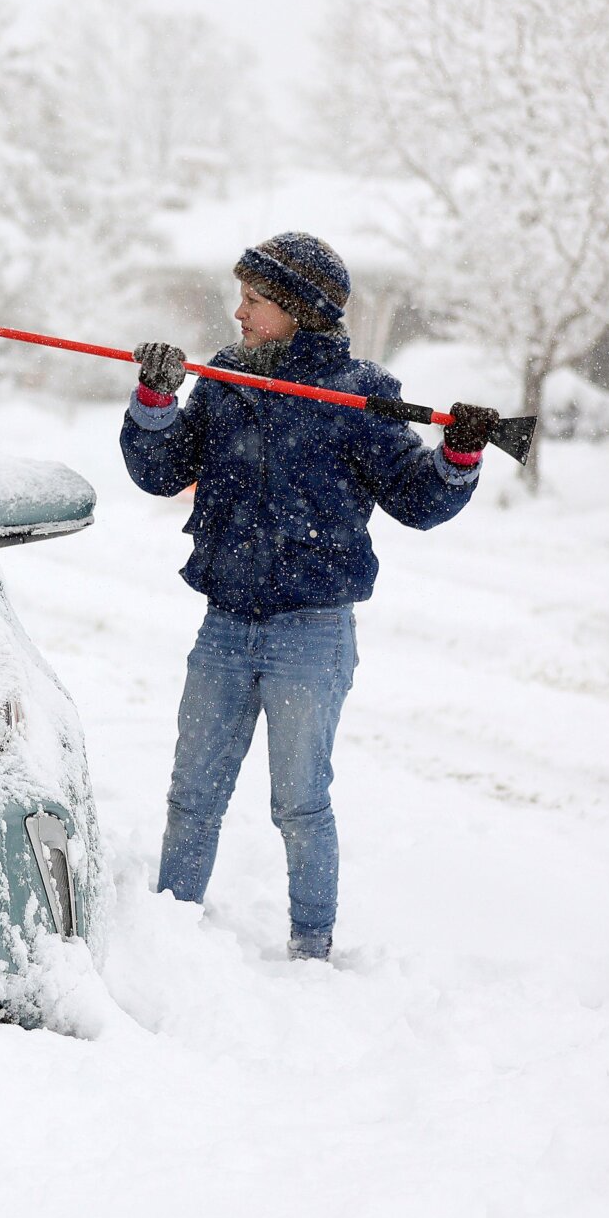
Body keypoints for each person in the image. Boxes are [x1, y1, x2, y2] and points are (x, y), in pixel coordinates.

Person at [120, 231, 496, 962]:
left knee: (299, 804)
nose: (238, 312)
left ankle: (312, 948)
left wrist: (458, 456)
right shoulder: (227, 377)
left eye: (255, 300)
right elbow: (164, 471)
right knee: (192, 796)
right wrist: (155, 401)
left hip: (311, 632)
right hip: (225, 624)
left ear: (298, 309)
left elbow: (416, 498)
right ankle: (168, 940)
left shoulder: (360, 395)